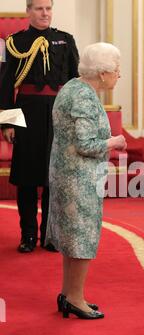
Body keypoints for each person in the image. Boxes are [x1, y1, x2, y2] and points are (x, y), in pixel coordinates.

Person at [45, 42, 127, 320]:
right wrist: (114, 141)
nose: (119, 75)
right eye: (117, 70)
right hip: (78, 178)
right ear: (103, 73)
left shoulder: (72, 87)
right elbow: (86, 144)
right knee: (81, 239)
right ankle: (75, 298)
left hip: (67, 173)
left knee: (72, 239)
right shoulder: (84, 97)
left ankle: (69, 295)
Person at [0, 0, 79, 253]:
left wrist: (75, 119)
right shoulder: (15, 43)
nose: (44, 13)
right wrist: (7, 123)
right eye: (39, 8)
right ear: (28, 11)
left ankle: (49, 234)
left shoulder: (65, 40)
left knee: (53, 178)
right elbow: (5, 85)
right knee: (27, 178)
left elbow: (75, 83)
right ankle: (28, 235)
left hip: (59, 113)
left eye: (48, 8)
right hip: (26, 113)